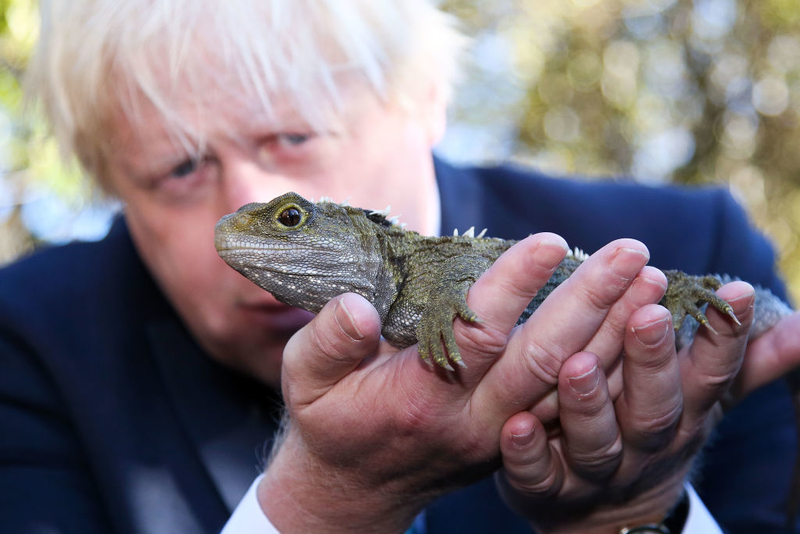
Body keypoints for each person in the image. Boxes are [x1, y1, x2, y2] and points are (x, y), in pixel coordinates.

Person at [1, 0, 798, 532]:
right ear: (112, 183)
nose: (239, 197)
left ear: (424, 98)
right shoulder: (32, 344)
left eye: (295, 135)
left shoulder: (697, 243)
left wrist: (637, 510)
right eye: (178, 169)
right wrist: (320, 506)